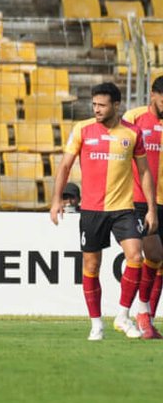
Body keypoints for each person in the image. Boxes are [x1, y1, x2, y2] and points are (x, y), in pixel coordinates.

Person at [50, 82, 158, 341]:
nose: (96, 109)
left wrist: (151, 209)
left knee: (136, 256)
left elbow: (144, 172)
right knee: (91, 264)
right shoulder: (82, 130)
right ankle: (96, 324)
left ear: (116, 105)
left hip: (124, 209)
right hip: (92, 210)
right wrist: (55, 200)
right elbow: (65, 167)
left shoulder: (132, 133)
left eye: (102, 105)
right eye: (94, 104)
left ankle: (122, 315)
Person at [123, 75, 163, 338]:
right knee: (153, 255)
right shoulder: (135, 117)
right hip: (141, 200)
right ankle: (139, 313)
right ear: (153, 94)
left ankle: (146, 319)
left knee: (160, 262)